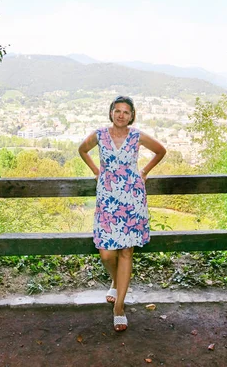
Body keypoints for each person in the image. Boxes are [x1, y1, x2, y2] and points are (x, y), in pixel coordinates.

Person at [78, 95, 166, 332]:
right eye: (117, 110)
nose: (121, 115)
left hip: (131, 200)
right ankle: (116, 281)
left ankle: (119, 307)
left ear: (132, 115)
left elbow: (160, 150)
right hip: (107, 200)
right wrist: (97, 171)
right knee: (106, 254)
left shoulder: (137, 136)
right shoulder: (99, 135)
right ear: (111, 113)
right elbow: (82, 150)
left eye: (126, 112)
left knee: (126, 251)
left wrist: (144, 171)